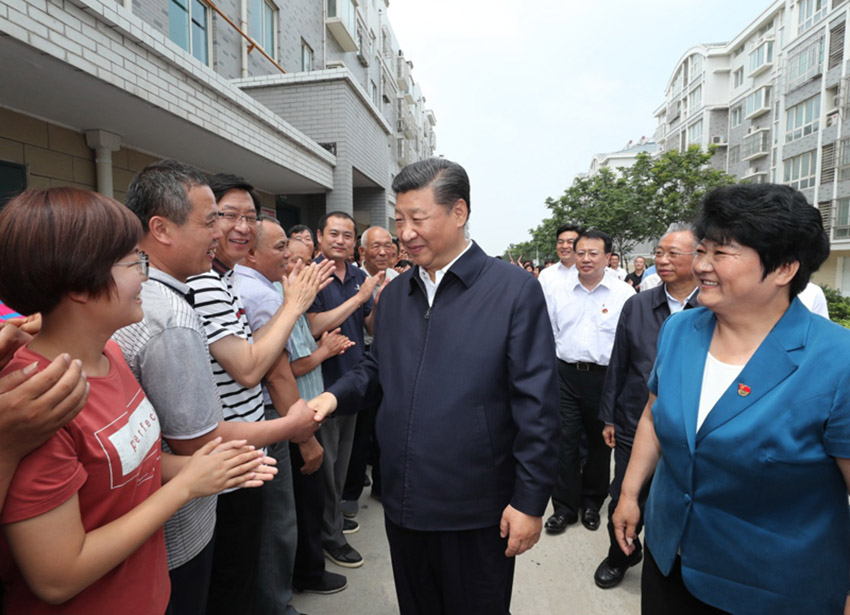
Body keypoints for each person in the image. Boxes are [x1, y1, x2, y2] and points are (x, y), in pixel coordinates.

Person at [0, 187, 273, 615]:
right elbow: (57, 576)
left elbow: (130, 462)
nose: (144, 274)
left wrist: (216, 467)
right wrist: (187, 486)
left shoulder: (107, 353)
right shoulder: (36, 400)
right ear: (79, 284)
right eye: (132, 261)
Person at [309, 158, 560, 615]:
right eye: (399, 219)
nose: (405, 233)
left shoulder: (513, 291)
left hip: (476, 508)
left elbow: (538, 406)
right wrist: (332, 396)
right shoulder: (397, 295)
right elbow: (376, 370)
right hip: (405, 502)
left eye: (418, 218)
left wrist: (528, 502)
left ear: (459, 212)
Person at [613, 183, 850, 614]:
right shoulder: (681, 330)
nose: (701, 265)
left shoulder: (838, 362)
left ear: (783, 269)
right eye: (702, 250)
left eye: (721, 254)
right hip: (670, 565)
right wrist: (630, 494)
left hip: (771, 588)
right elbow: (654, 414)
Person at [113, 160, 319, 615]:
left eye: (248, 218)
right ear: (161, 229)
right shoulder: (173, 315)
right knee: (228, 586)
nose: (228, 232)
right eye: (216, 219)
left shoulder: (186, 288)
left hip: (204, 484)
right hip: (198, 503)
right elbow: (202, 439)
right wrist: (291, 425)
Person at [186, 174, 329, 615]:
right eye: (228, 216)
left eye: (250, 216)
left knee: (250, 550)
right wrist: (293, 304)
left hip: (246, 437)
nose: (241, 227)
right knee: (241, 561)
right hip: (230, 443)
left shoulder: (224, 279)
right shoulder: (206, 282)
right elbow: (253, 369)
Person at [593, 225, 699, 590]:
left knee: (675, 502)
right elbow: (618, 363)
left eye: (673, 254)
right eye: (659, 252)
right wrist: (609, 415)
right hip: (633, 420)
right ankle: (620, 554)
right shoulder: (637, 305)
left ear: (698, 257)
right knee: (624, 493)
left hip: (689, 429)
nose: (663, 260)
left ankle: (671, 562)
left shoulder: (712, 308)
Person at [543, 230, 635, 535]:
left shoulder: (624, 295)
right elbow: (550, 334)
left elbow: (627, 344)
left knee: (599, 444)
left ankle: (593, 503)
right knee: (565, 441)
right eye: (580, 252)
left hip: (605, 378)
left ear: (608, 257)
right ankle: (564, 508)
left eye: (593, 253)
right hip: (565, 374)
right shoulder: (559, 290)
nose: (585, 258)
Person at [305, 211, 383, 569]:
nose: (340, 241)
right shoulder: (312, 276)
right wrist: (358, 298)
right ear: (320, 236)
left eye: (348, 236)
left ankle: (333, 519)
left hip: (352, 382)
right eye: (333, 234)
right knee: (326, 465)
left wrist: (376, 302)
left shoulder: (357, 275)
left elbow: (366, 322)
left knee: (342, 465)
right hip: (322, 385)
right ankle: (330, 537)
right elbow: (313, 325)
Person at [284, 236, 352, 595]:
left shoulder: (295, 304)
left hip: (313, 410)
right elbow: (284, 370)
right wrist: (325, 351)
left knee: (315, 496)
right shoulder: (277, 305)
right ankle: (308, 573)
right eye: (291, 261)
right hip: (296, 419)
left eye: (304, 262)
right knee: (305, 503)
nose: (299, 270)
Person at [537, 223, 582, 300]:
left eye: (570, 242)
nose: (564, 246)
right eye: (560, 242)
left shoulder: (592, 272)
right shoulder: (546, 275)